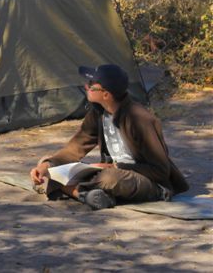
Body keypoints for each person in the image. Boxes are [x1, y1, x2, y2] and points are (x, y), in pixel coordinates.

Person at [29, 64, 189, 210]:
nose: (86, 86)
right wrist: (47, 165)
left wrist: (119, 167)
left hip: (146, 180)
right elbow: (75, 147)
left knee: (109, 178)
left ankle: (79, 193)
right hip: (110, 171)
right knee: (54, 168)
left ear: (106, 94)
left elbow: (160, 171)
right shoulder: (97, 113)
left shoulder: (139, 119)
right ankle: (90, 196)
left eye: (91, 86)